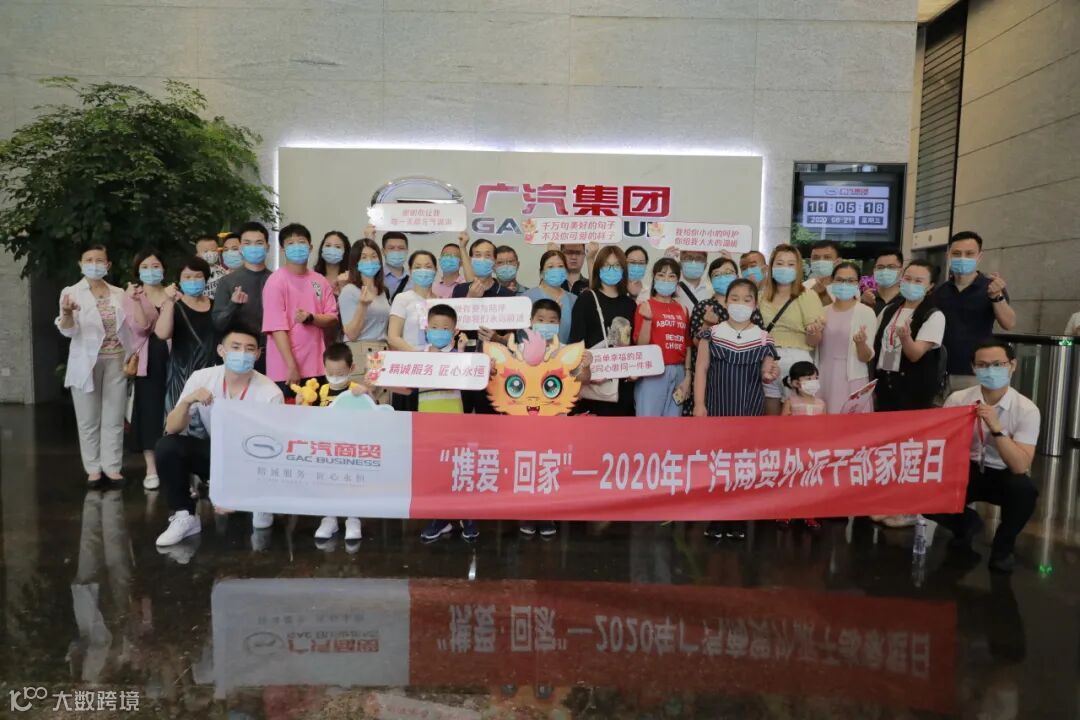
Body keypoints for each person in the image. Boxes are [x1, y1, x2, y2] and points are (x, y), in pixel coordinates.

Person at [153, 323, 284, 547]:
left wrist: (234, 492)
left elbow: (274, 449)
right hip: (216, 455)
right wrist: (187, 401)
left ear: (258, 354)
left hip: (252, 461)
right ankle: (185, 515)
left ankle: (257, 500)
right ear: (221, 350)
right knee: (167, 446)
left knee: (260, 523)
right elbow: (172, 428)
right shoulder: (202, 378)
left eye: (249, 349)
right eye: (235, 347)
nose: (242, 354)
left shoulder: (269, 392)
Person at [931, 340, 1040, 574]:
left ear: (1012, 366)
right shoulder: (958, 399)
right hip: (965, 469)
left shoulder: (1026, 409)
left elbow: (1020, 465)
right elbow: (941, 441)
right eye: (982, 365)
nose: (990, 371)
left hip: (1002, 472)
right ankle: (965, 524)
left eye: (997, 364)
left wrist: (997, 429)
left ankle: (1003, 547)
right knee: (923, 489)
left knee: (1024, 491)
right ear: (973, 368)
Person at [693, 278, 779, 540]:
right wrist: (699, 404)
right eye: (735, 298)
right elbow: (701, 370)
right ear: (726, 302)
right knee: (718, 461)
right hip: (718, 407)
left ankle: (738, 517)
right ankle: (717, 516)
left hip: (750, 408)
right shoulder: (712, 334)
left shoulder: (763, 338)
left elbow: (767, 373)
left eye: (747, 299)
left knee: (743, 462)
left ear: (755, 305)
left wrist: (770, 375)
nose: (740, 304)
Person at [57, 245, 144, 487]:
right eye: (89, 260)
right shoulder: (71, 292)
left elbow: (130, 327)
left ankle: (112, 467)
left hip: (116, 360)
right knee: (88, 418)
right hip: (86, 362)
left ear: (108, 265)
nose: (94, 264)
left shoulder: (119, 293)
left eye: (99, 260)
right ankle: (93, 469)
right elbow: (68, 330)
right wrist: (67, 313)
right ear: (80, 264)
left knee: (114, 417)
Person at [412, 305, 479, 542]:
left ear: (455, 330)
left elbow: (471, 381)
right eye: (434, 327)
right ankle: (440, 518)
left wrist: (461, 352)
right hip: (427, 423)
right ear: (426, 328)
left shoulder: (459, 355)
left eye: (444, 328)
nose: (439, 332)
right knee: (434, 472)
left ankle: (466, 515)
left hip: (454, 422)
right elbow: (405, 387)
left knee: (458, 469)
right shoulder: (417, 356)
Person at [262, 223, 339, 397]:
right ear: (282, 249)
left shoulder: (319, 280)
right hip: (285, 371)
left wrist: (311, 318)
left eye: (301, 242)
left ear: (310, 247)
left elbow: (332, 317)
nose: (297, 247)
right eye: (291, 243)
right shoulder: (275, 281)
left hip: (317, 367)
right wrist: (291, 366)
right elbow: (277, 328)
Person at [933, 231, 1016, 393]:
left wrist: (996, 296)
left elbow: (1009, 323)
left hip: (975, 372)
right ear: (949, 255)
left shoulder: (991, 287)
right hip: (941, 373)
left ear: (979, 256)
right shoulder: (940, 291)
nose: (962, 258)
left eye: (969, 253)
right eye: (957, 254)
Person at [309, 343, 370, 544]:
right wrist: (303, 402)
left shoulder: (356, 390)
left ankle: (353, 518)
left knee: (352, 483)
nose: (335, 377)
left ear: (352, 369)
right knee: (327, 483)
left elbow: (372, 414)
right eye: (330, 373)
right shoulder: (319, 391)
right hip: (326, 449)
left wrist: (367, 395)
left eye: (340, 373)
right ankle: (329, 518)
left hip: (351, 449)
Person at [569, 245, 637, 416]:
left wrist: (636, 371)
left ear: (623, 270)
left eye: (617, 266)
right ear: (598, 268)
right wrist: (582, 373)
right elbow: (575, 344)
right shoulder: (586, 299)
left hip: (623, 387)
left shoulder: (630, 304)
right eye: (607, 265)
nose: (611, 270)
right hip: (593, 385)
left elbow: (634, 344)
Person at [758, 244, 825, 415]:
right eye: (779, 263)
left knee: (797, 415)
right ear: (771, 267)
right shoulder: (761, 296)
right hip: (768, 360)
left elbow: (814, 341)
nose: (784, 268)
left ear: (798, 268)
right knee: (771, 416)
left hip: (798, 361)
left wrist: (813, 331)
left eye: (790, 264)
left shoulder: (807, 295)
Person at [873, 259, 946, 411]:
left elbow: (915, 354)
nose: (911, 284)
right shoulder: (890, 309)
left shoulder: (933, 315)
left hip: (913, 390)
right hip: (885, 383)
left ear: (930, 286)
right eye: (907, 279)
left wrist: (906, 338)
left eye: (918, 281)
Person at [452, 239, 515, 414]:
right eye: (477, 255)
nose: (482, 260)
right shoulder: (460, 290)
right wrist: (470, 300)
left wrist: (497, 338)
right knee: (460, 416)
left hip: (494, 367)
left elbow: (514, 338)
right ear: (471, 260)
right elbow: (451, 327)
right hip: (463, 364)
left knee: (490, 419)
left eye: (487, 256)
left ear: (494, 261)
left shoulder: (507, 295)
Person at [128, 249, 170, 490]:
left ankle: (177, 466)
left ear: (163, 269)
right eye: (145, 267)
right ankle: (151, 468)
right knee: (149, 412)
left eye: (155, 266)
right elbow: (140, 329)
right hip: (148, 361)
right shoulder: (132, 296)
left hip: (174, 360)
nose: (151, 271)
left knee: (175, 408)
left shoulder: (174, 293)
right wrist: (136, 301)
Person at [157, 256, 215, 415]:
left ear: (206, 278)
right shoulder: (173, 306)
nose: (193, 281)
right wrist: (169, 301)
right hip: (181, 375)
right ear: (179, 281)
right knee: (180, 419)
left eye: (198, 276)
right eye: (187, 277)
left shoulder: (216, 305)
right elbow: (162, 334)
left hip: (211, 375)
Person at [212, 222, 273, 372]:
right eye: (247, 243)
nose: (253, 247)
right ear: (240, 248)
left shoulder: (277, 280)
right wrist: (233, 304)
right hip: (240, 355)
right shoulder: (227, 282)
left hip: (272, 353)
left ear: (267, 247)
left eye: (259, 243)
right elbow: (218, 324)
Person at [633, 258, 690, 417]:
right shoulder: (645, 306)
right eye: (661, 275)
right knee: (648, 424)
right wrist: (647, 320)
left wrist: (688, 376)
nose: (666, 279)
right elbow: (641, 345)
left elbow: (687, 345)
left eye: (672, 276)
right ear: (654, 277)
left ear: (677, 280)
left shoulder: (683, 309)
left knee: (673, 426)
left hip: (678, 372)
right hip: (653, 372)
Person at [819, 262, 877, 414]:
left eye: (850, 281)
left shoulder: (866, 312)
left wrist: (860, 343)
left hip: (852, 377)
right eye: (839, 280)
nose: (844, 284)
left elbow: (866, 357)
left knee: (851, 423)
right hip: (825, 374)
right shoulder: (822, 311)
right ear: (832, 281)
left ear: (858, 283)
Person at [387, 250, 438, 411]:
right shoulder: (403, 298)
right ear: (410, 271)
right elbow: (393, 337)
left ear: (435, 270)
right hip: (409, 368)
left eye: (428, 266)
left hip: (435, 369)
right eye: (418, 267)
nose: (423, 271)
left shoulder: (441, 302)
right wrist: (418, 355)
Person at [340, 238, 391, 397]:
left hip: (381, 353)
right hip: (360, 351)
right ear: (356, 263)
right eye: (364, 257)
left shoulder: (382, 291)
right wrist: (363, 305)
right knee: (361, 402)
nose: (370, 261)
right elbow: (351, 333)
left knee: (381, 402)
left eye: (374, 256)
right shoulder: (350, 290)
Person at [780, 360, 825, 530]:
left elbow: (826, 427)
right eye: (809, 378)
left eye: (815, 378)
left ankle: (809, 514)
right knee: (791, 481)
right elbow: (782, 425)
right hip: (794, 450)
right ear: (795, 383)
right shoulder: (790, 402)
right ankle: (786, 512)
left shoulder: (821, 404)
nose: (814, 381)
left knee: (810, 482)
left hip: (813, 451)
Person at [524, 249, 577, 344]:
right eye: (550, 267)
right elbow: (521, 334)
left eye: (560, 266)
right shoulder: (527, 297)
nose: (556, 270)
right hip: (534, 351)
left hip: (565, 351)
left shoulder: (573, 299)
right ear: (541, 273)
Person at [862, 247, 904, 314]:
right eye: (880, 267)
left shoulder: (907, 300)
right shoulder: (866, 298)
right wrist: (863, 303)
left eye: (891, 267)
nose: (885, 271)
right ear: (874, 270)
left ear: (901, 271)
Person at [433, 233, 473, 298]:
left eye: (453, 256)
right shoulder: (433, 288)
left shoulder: (466, 284)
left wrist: (463, 247)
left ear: (461, 263)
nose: (448, 258)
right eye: (445, 255)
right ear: (440, 260)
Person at [673, 250, 712, 315]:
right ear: (680, 262)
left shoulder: (712, 289)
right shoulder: (671, 286)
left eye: (699, 258)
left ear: (705, 264)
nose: (693, 262)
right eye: (688, 258)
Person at [313, 230, 350, 295]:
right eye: (328, 245)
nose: (332, 250)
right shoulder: (313, 277)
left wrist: (343, 288)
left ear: (345, 252)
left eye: (338, 247)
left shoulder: (350, 279)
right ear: (322, 249)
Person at [805, 239, 840, 306]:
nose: (820, 261)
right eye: (815, 258)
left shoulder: (846, 289)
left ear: (838, 262)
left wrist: (823, 295)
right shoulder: (803, 287)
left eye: (827, 257)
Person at [194, 235, 226, 301]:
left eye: (213, 250)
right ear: (197, 254)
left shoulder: (222, 270)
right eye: (206, 251)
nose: (211, 253)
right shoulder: (193, 274)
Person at [381, 231, 411, 297]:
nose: (396, 251)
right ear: (383, 251)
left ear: (407, 251)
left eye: (401, 248)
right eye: (391, 248)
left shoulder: (413, 280)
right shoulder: (376, 277)